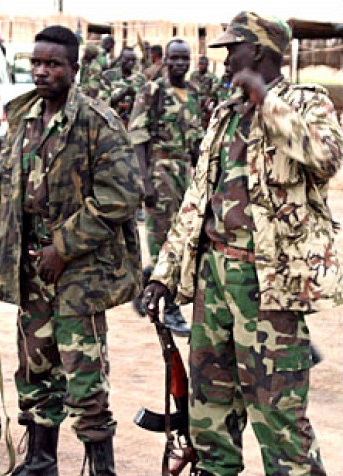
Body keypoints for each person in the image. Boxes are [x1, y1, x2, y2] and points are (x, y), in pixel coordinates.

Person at [142, 11, 343, 475]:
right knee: (209, 412)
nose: (226, 58)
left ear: (260, 50)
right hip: (213, 276)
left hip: (269, 282)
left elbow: (326, 158)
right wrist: (164, 274)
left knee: (280, 417)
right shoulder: (225, 113)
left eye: (233, 48)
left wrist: (268, 102)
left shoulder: (307, 102)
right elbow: (197, 199)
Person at [0, 25, 143, 475]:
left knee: (84, 376)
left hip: (79, 273)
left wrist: (63, 247)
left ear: (74, 69)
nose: (42, 71)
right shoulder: (23, 119)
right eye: (37, 62)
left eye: (53, 64)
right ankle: (40, 460)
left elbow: (121, 195)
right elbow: (1, 195)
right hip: (29, 268)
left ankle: (101, 467)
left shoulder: (97, 122)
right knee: (34, 368)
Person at [129, 38, 204, 336]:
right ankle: (170, 309)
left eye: (184, 58)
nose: (179, 64)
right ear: (165, 60)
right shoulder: (153, 91)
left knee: (184, 239)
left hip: (185, 174)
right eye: (174, 58)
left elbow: (196, 141)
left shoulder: (193, 94)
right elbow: (138, 137)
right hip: (159, 174)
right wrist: (144, 181)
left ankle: (145, 284)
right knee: (163, 241)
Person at [99, 47, 146, 126]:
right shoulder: (108, 75)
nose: (130, 63)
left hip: (133, 121)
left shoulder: (140, 78)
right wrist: (123, 93)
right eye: (127, 60)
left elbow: (144, 102)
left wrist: (135, 94)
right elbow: (103, 101)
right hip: (112, 120)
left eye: (133, 60)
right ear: (121, 59)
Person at [190, 55, 220, 129]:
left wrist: (208, 101)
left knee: (205, 120)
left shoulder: (212, 77)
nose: (201, 66)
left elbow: (214, 92)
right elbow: (190, 88)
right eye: (199, 64)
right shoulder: (194, 74)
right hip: (195, 100)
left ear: (207, 65)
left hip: (207, 101)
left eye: (203, 64)